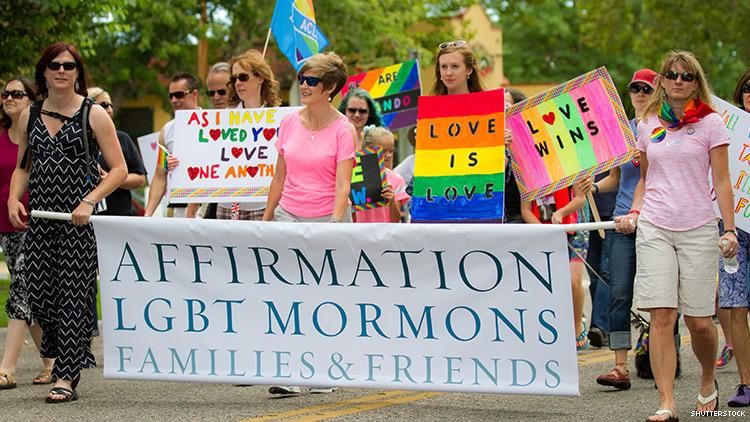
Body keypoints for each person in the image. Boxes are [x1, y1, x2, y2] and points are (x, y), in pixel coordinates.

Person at [617, 50, 738, 422]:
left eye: (687, 76)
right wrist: (634, 211)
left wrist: (729, 229)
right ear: (662, 80)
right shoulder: (647, 123)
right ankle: (666, 402)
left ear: (696, 81)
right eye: (672, 74)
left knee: (699, 322)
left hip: (698, 227)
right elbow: (645, 179)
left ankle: (707, 379)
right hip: (655, 226)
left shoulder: (711, 122)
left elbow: (722, 180)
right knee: (662, 316)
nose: (679, 81)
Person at [8, 42, 127, 403]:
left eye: (69, 66)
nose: (62, 71)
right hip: (42, 220)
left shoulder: (94, 114)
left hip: (78, 221)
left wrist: (89, 200)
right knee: (42, 296)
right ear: (43, 72)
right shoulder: (30, 115)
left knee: (74, 296)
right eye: (55, 65)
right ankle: (67, 356)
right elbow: (23, 167)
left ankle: (65, 376)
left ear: (78, 73)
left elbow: (119, 170)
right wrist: (14, 198)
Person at [262, 52, 356, 395]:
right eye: (302, 78)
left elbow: (343, 185)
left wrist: (334, 223)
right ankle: (288, 371)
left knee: (324, 296)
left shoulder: (344, 129)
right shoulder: (289, 122)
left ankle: (324, 370)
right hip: (289, 215)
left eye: (312, 80)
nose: (303, 85)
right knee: (287, 294)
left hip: (327, 218)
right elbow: (279, 177)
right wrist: (267, 218)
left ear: (329, 88)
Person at [594, 68, 657, 390]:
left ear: (657, 92)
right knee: (619, 292)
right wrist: (592, 187)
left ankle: (664, 356)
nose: (640, 94)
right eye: (635, 88)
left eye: (647, 88)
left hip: (656, 219)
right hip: (622, 220)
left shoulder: (665, 129)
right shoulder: (622, 131)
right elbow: (615, 180)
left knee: (661, 294)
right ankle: (620, 367)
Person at [0, 76, 55, 389]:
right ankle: (51, 362)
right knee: (29, 294)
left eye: (17, 94)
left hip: (35, 222)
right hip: (5, 226)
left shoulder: (40, 134)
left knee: (20, 286)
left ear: (32, 100)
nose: (9, 98)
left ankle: (7, 368)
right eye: (5, 93)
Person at [521, 182, 590, 350]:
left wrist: (561, 212)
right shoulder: (525, 171)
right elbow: (525, 209)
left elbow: (580, 198)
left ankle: (577, 326)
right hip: (542, 231)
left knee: (573, 280)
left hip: (573, 226)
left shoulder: (567, 167)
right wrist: (542, 230)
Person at [217, 50, 281, 221]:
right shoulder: (223, 117)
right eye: (234, 79)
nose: (238, 83)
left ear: (260, 78)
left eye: (243, 77)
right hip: (228, 203)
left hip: (264, 203)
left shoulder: (279, 118)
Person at [719, 69, 750, 407]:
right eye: (747, 88)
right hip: (734, 230)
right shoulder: (727, 130)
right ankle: (746, 384)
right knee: (737, 307)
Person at [144, 72, 200, 217]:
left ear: (194, 94)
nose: (174, 100)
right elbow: (159, 176)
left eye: (179, 95)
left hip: (207, 206)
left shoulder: (213, 124)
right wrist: (148, 214)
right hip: (179, 207)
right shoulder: (167, 130)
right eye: (171, 96)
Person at [87, 87, 146, 216]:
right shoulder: (76, 139)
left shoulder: (122, 138)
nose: (109, 110)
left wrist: (113, 179)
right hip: (84, 214)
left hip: (118, 214)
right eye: (104, 105)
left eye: (110, 105)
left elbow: (140, 178)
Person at [186, 62, 231, 219]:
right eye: (211, 93)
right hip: (213, 205)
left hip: (246, 204)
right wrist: (190, 212)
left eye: (222, 92)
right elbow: (198, 170)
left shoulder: (252, 118)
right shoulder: (204, 126)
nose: (216, 97)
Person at [353, 126, 409, 223]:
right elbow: (351, 219)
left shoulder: (396, 179)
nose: (388, 155)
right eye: (383, 151)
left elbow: (396, 220)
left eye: (391, 151)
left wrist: (392, 201)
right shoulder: (354, 175)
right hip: (359, 231)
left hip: (386, 232)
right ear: (368, 150)